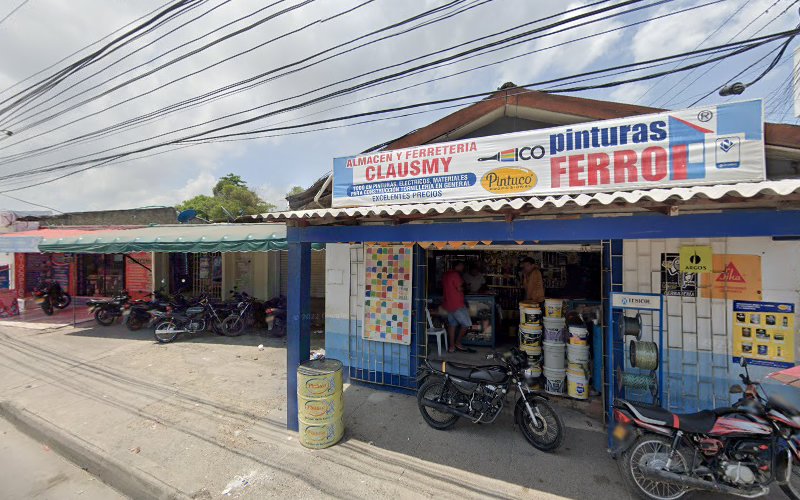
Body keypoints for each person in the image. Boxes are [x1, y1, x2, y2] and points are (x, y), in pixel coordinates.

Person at [442, 261, 472, 353]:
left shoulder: (446, 274)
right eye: (462, 266)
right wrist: (466, 288)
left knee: (452, 325)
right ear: (458, 266)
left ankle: (451, 347)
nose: (463, 268)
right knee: (467, 324)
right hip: (457, 304)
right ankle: (458, 343)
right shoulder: (455, 274)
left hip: (448, 304)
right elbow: (459, 288)